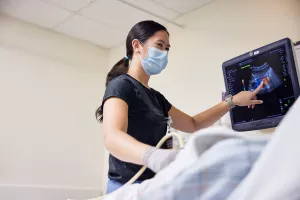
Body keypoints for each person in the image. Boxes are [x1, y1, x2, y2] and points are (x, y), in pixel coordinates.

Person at [95, 20, 264, 194]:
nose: (164, 53)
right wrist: (154, 156)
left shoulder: (157, 98)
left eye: (167, 48)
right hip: (125, 188)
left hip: (150, 187)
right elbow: (112, 137)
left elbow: (193, 124)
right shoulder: (121, 85)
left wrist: (232, 101)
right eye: (159, 45)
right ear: (137, 46)